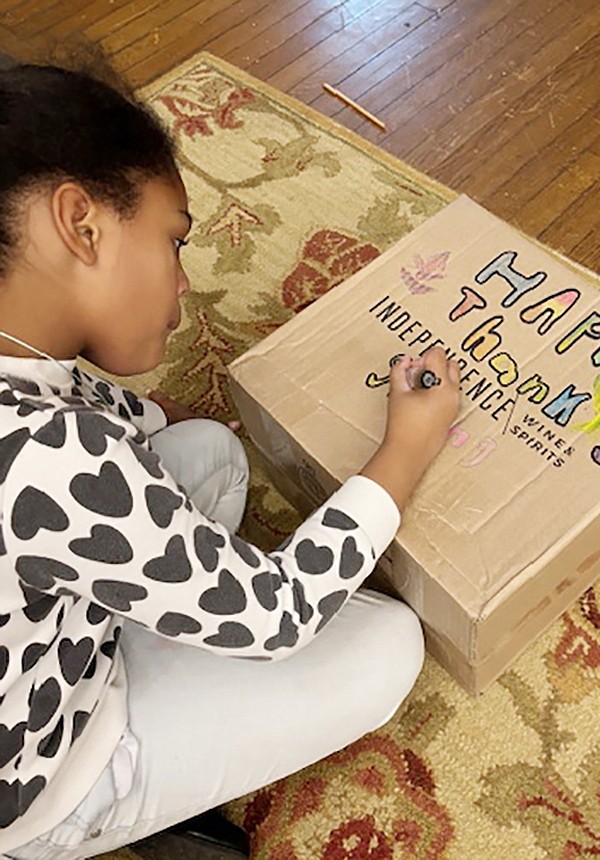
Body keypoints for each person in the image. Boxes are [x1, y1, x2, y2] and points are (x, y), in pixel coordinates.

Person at [0, 56, 461, 860]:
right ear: (81, 223)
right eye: (173, 242)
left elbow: (92, 406)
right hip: (43, 775)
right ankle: (100, 814)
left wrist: (183, 407)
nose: (183, 286)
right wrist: (404, 448)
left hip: (38, 631)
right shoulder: (52, 455)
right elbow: (275, 616)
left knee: (207, 449)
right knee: (386, 646)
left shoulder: (26, 370)